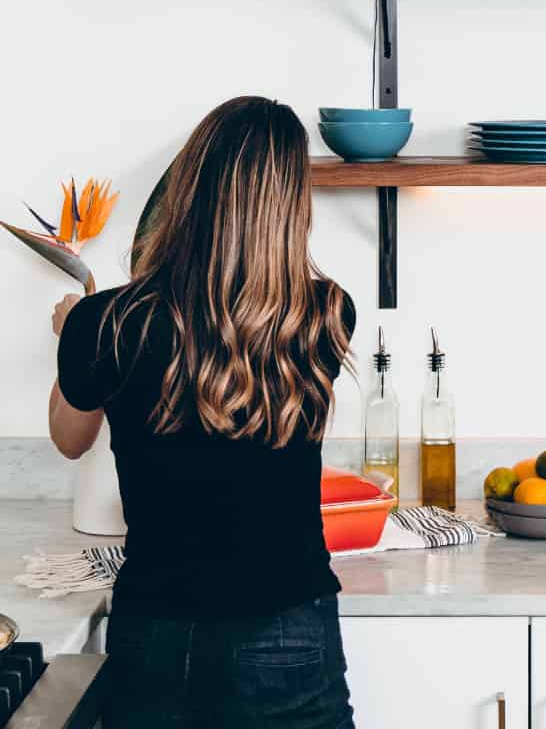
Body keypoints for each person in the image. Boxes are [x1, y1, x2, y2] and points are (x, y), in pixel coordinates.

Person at [49, 96, 357, 728]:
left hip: (159, 627)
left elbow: (68, 438)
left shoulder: (106, 321)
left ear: (186, 187)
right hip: (291, 623)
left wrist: (71, 340)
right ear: (293, 206)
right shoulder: (325, 314)